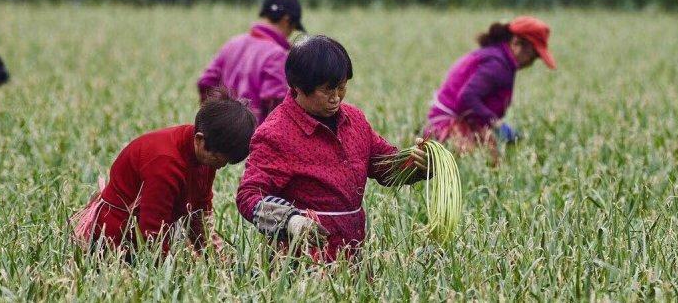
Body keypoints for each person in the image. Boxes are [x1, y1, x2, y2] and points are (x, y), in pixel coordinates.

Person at [236, 35, 428, 263]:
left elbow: (384, 165)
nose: (336, 98)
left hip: (353, 255)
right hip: (302, 261)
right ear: (298, 87)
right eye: (327, 90)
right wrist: (291, 221)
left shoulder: (354, 120)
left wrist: (418, 163)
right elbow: (249, 196)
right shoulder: (276, 133)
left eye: (342, 87)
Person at [70, 88, 256, 256]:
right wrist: (173, 270)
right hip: (115, 239)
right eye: (218, 159)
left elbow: (199, 212)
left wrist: (217, 257)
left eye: (226, 162)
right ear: (200, 140)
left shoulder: (205, 155)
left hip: (146, 232)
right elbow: (152, 235)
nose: (220, 167)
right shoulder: (165, 163)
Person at [423, 16, 555, 157]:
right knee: (479, 158)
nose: (531, 62)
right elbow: (467, 96)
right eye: (532, 55)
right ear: (516, 42)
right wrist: (497, 124)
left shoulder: (499, 57)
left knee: (494, 157)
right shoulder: (497, 65)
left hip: (460, 121)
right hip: (446, 125)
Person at [197, 0, 305, 124]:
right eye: (293, 28)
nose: (290, 34)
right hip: (253, 139)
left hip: (221, 137)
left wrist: (216, 122)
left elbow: (206, 82)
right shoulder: (277, 54)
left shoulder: (232, 43)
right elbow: (276, 102)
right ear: (286, 20)